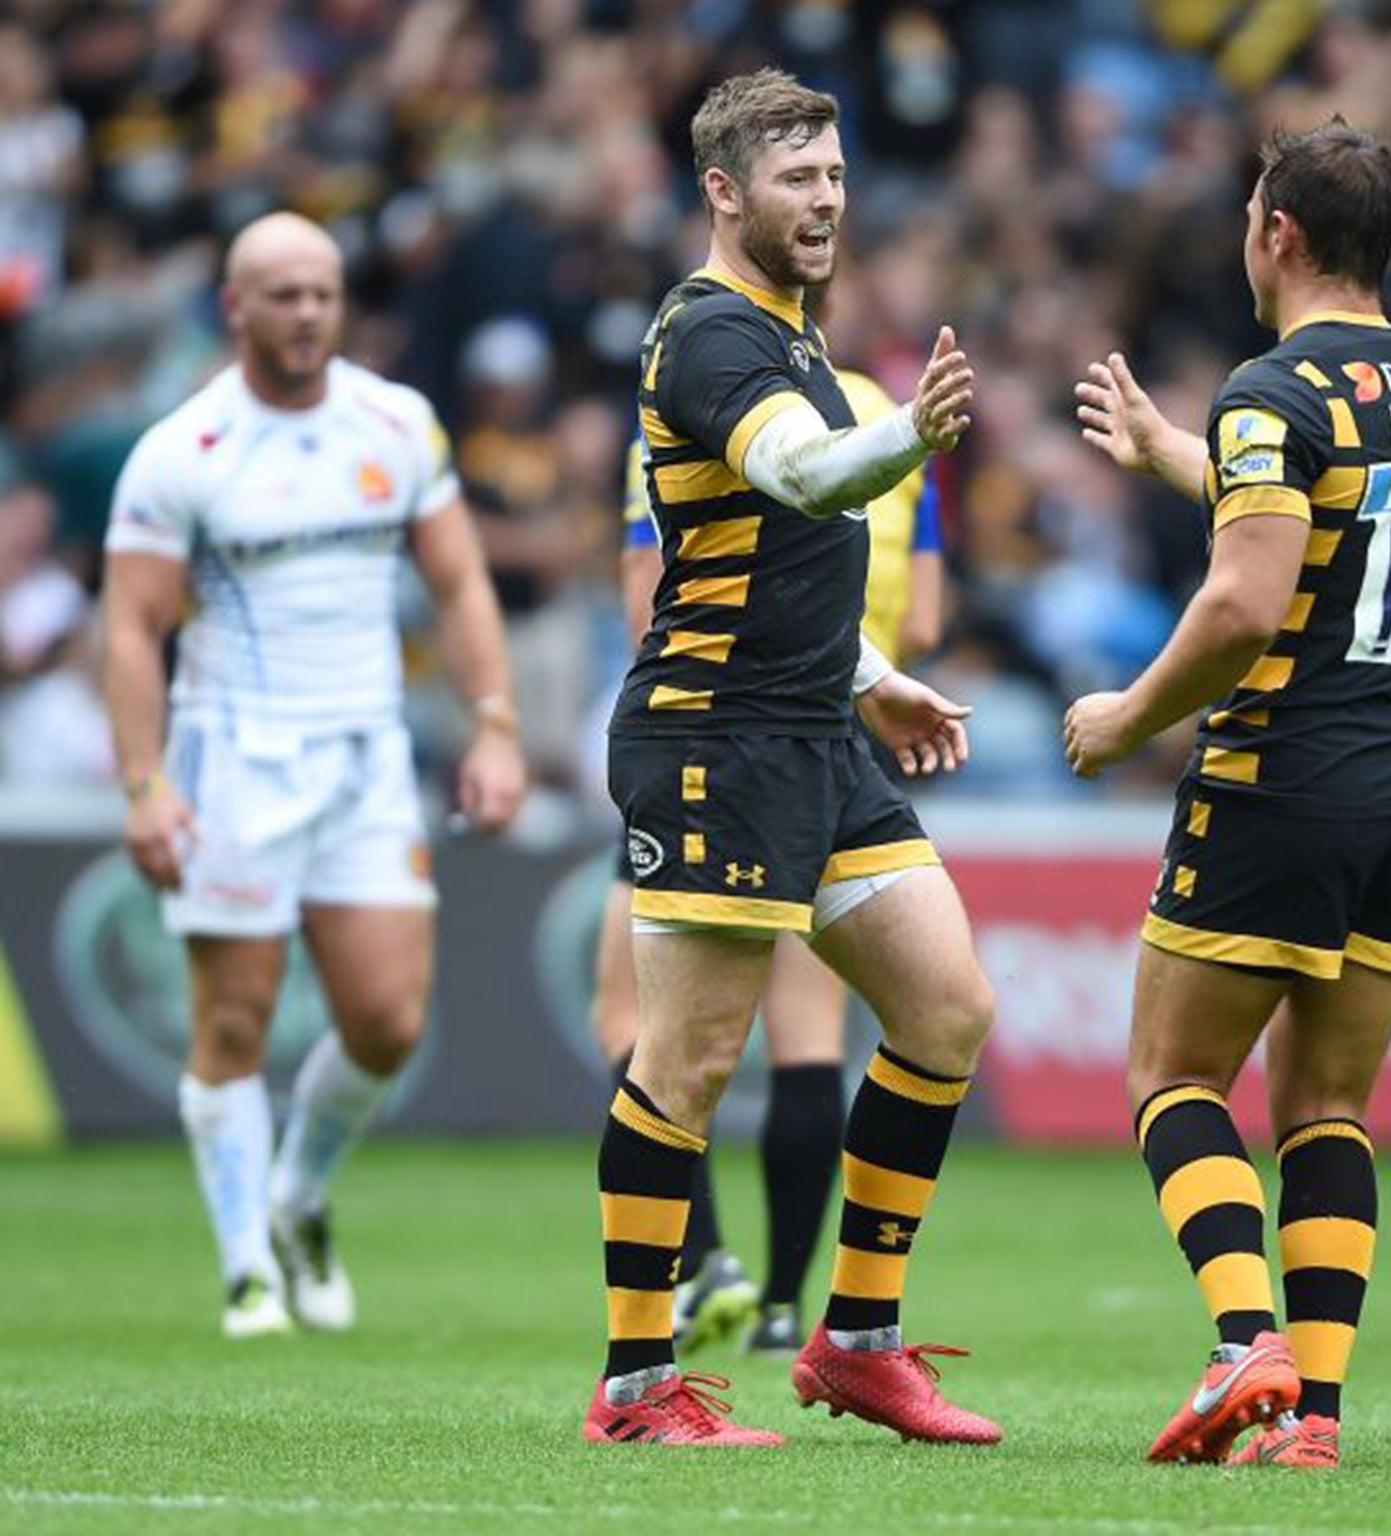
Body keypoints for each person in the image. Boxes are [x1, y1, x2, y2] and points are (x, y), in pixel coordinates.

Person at [585, 67, 999, 1451]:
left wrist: (875, 679)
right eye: (796, 180)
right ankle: (638, 1386)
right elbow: (805, 482)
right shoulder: (707, 337)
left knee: (945, 1010)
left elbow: (775, 565)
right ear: (723, 192)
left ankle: (859, 1342)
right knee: (690, 1063)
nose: (825, 202)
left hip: (819, 731)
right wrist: (910, 435)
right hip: (714, 737)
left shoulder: (794, 335)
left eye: (833, 176)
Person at [1070, 119, 1391, 1471]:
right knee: (1327, 1111)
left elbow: (1247, 599)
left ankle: (1248, 1345)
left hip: (1283, 779)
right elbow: (1317, 513)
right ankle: (1314, 1423)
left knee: (1175, 1077)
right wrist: (1170, 451)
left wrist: (1130, 714)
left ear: (1278, 234)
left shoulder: (1274, 388)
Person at [100, 212, 527, 1339]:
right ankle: (246, 1268)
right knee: (233, 1021)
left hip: (365, 755)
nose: (305, 315)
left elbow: (461, 585)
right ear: (235, 307)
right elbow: (133, 629)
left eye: (322, 294)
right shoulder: (182, 451)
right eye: (281, 295)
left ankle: (297, 1196)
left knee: (387, 1021)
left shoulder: (394, 422)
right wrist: (145, 784)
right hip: (231, 755)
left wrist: (492, 726)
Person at [593, 389, 944, 1359]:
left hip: (773, 723)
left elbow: (645, 587)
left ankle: (734, 1279)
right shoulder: (858, 397)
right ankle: (745, 1320)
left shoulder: (689, 417)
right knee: (788, 1044)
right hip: (761, 724)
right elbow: (928, 601)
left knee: (632, 1023)